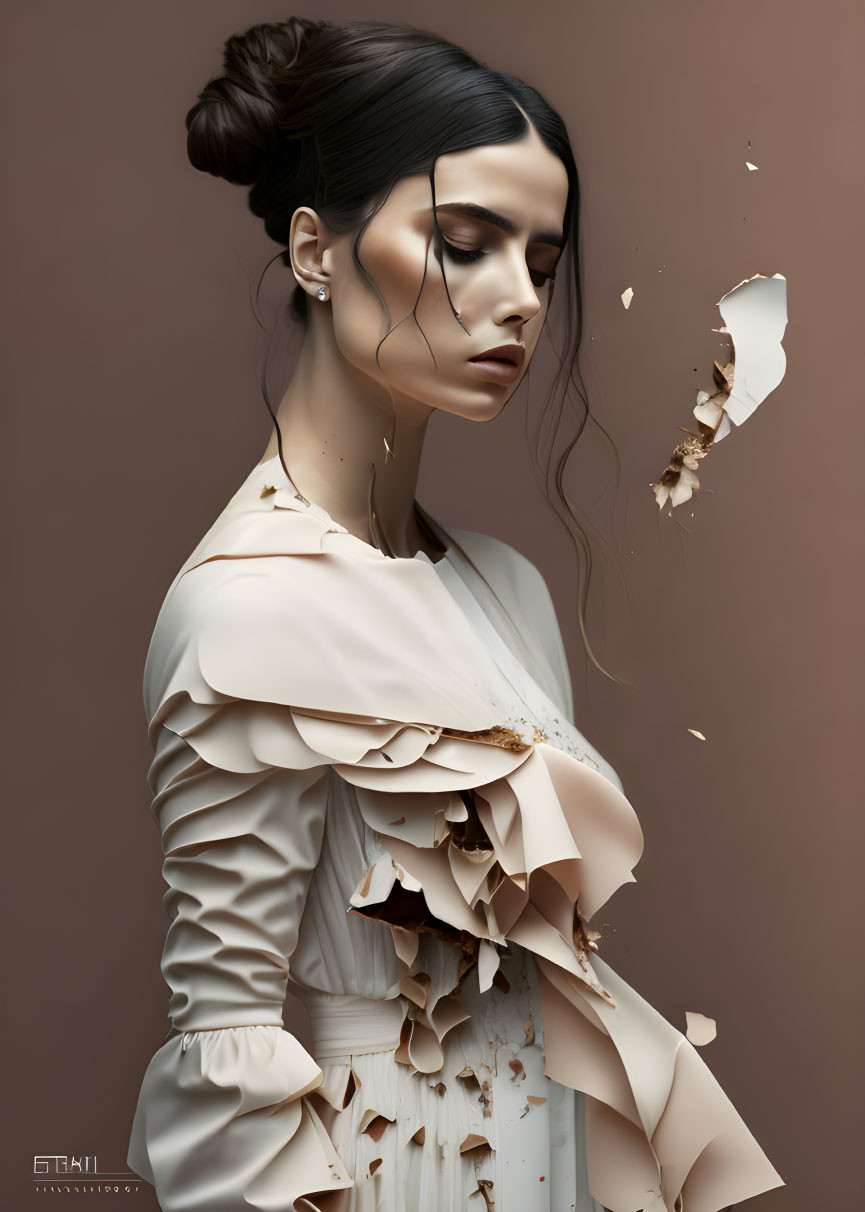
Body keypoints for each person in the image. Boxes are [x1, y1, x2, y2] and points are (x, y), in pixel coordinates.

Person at [126, 18, 783, 1212]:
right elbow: (222, 1057)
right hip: (389, 1168)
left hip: (549, 1158)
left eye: (539, 259)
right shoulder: (245, 611)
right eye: (466, 244)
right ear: (317, 251)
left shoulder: (507, 588)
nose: (519, 299)